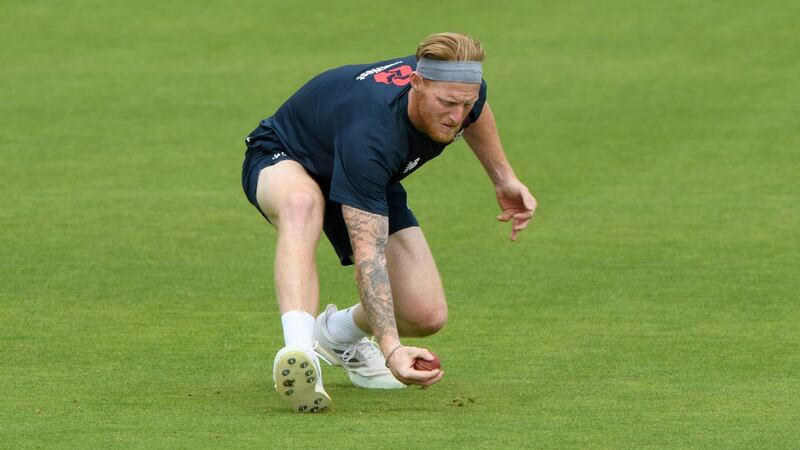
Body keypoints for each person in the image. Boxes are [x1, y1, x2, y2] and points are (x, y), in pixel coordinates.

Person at [241, 32, 537, 413]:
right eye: (447, 104)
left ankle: (336, 335)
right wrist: (391, 348)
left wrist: (503, 178)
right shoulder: (373, 133)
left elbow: (477, 112)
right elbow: (369, 256)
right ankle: (301, 354)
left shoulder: (462, 89)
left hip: (366, 173)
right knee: (302, 203)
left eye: (465, 104)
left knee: (425, 313)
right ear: (416, 83)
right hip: (288, 156)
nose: (456, 116)